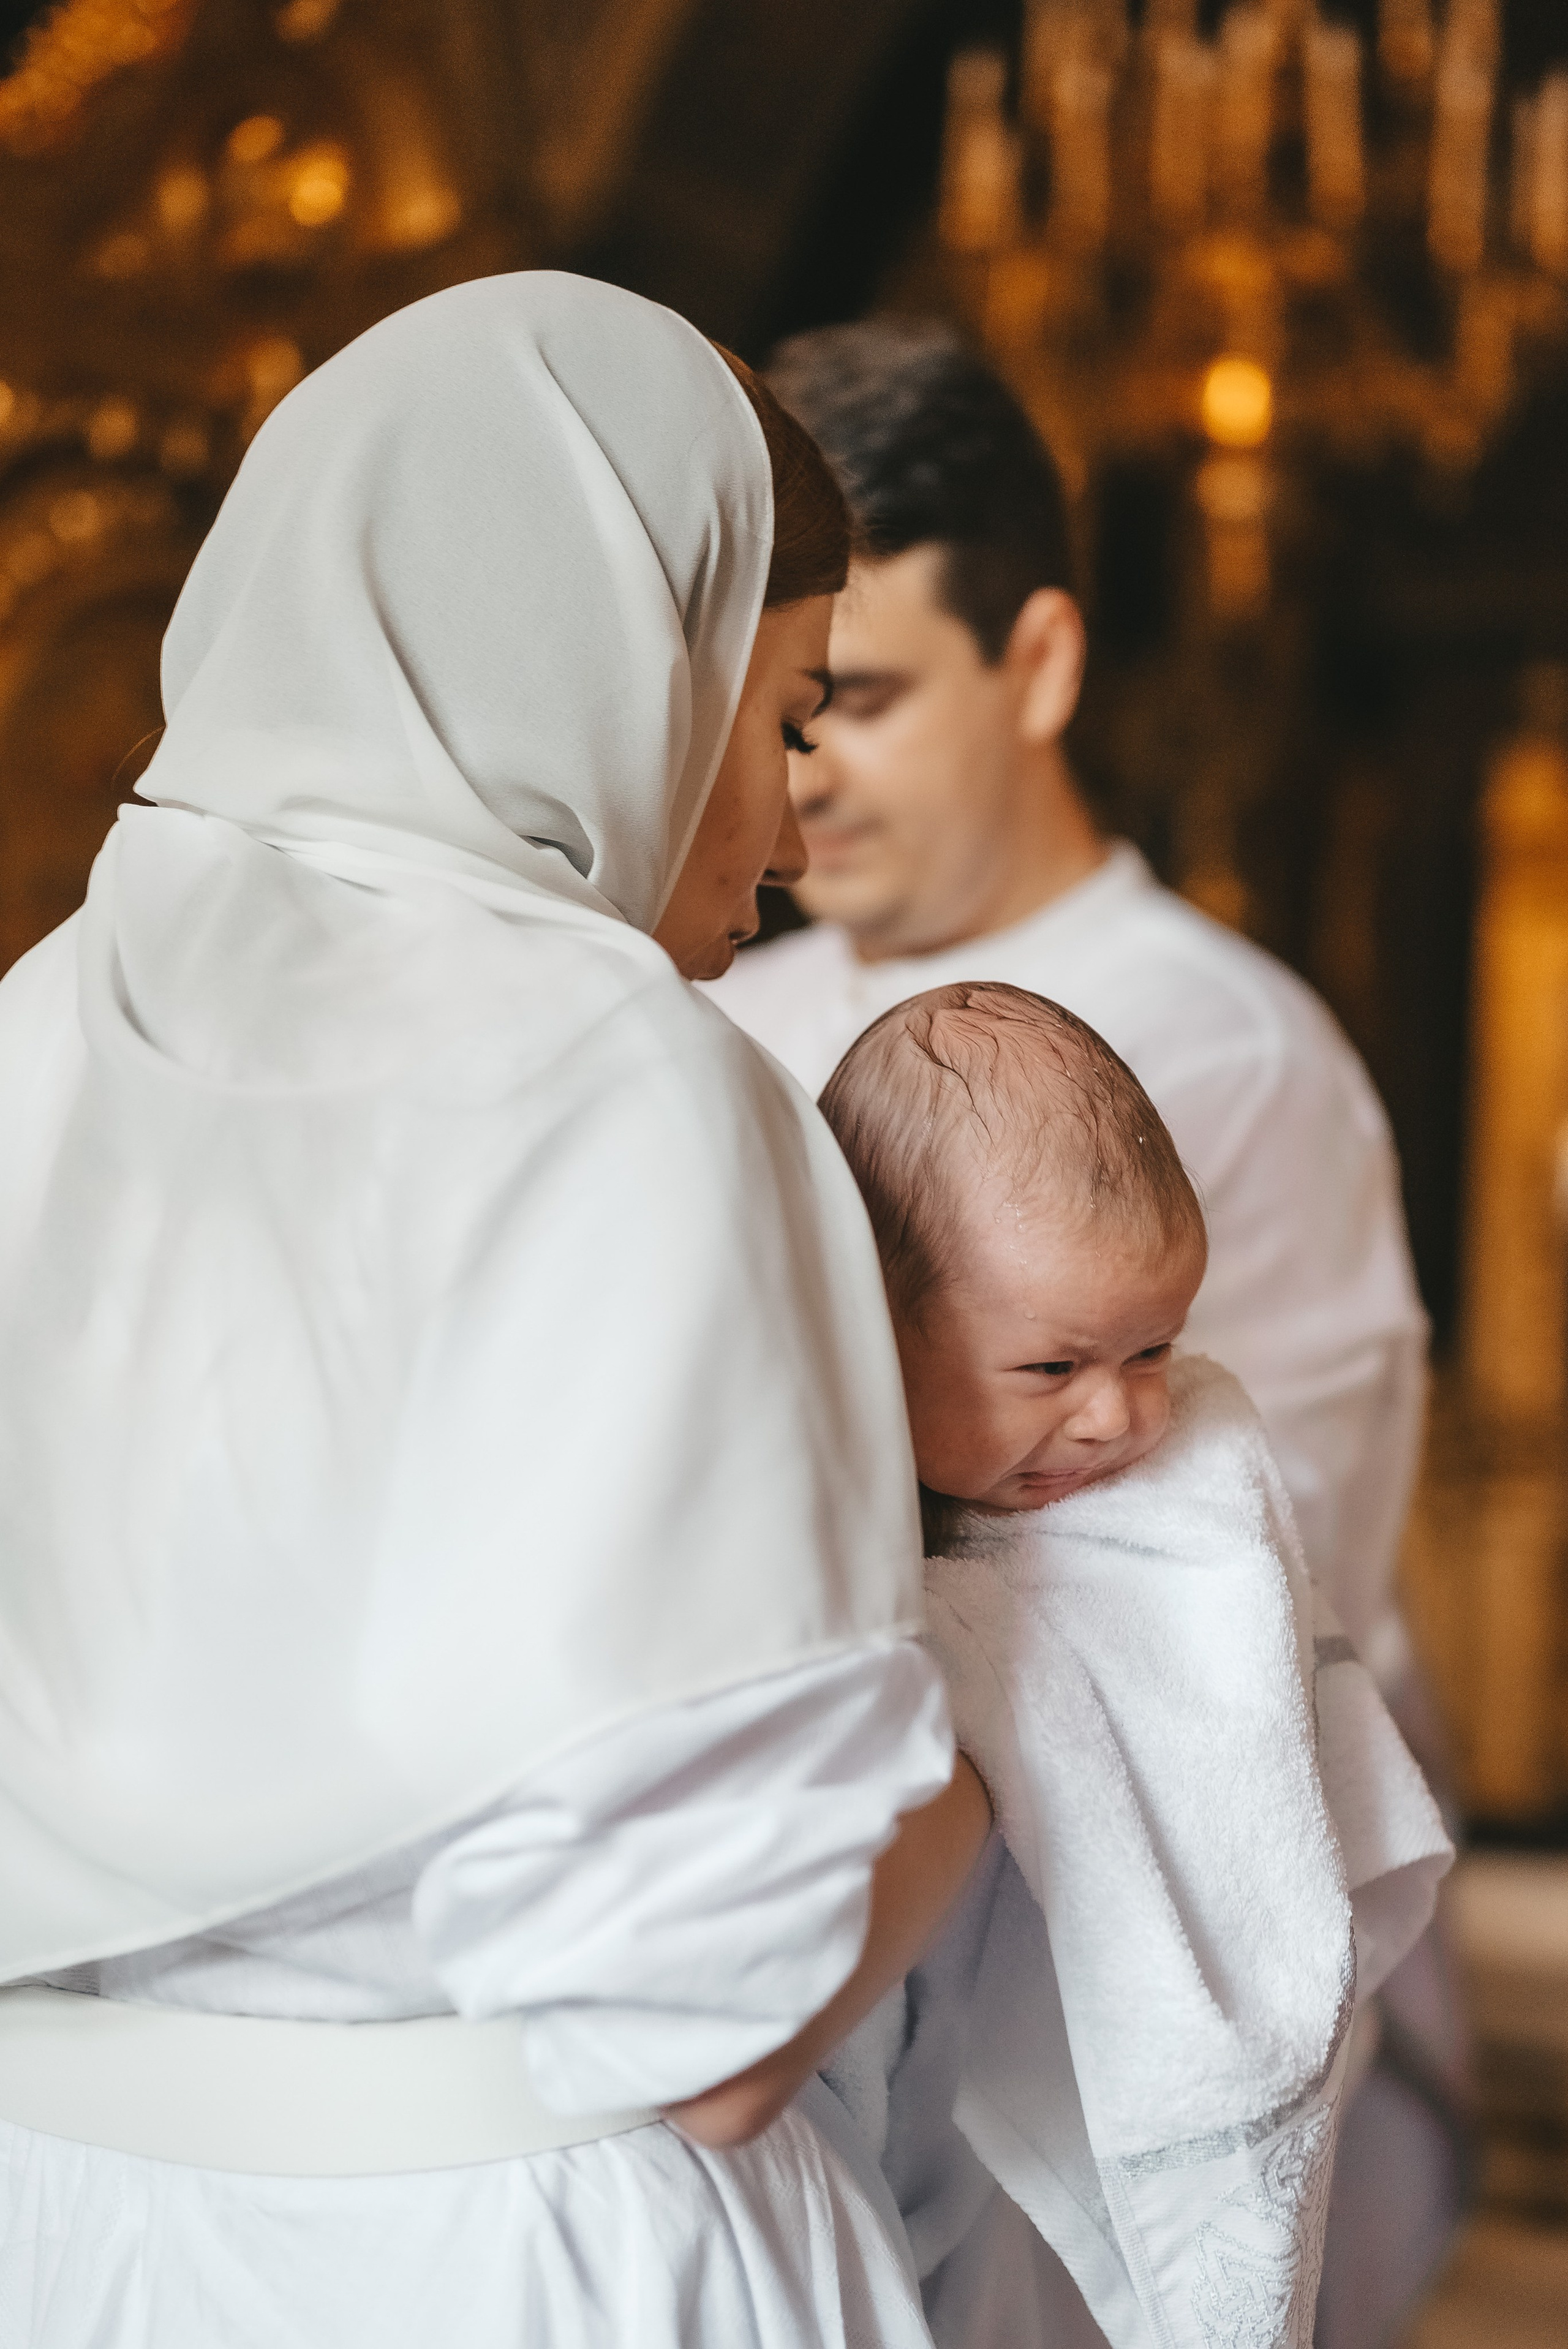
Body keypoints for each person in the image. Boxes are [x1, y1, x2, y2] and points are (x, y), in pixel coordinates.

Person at [0, 273, 993, 2347]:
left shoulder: (33, 1031)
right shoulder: (621, 1068)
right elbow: (715, 2021)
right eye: (785, 711)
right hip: (503, 2262)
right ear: (618, 648)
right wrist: (999, 1771)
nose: (795, 834)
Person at [706, 321, 1466, 2349]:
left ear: (1037, 665)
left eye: (858, 699)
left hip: (1099, 1940)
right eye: (785, 703)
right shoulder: (733, 998)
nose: (803, 772)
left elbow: (1204, 1561)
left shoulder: (1214, 1039)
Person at [810, 980, 1450, 2349]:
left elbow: (1212, 1706)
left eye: (1151, 1347)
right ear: (868, 1322)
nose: (1117, 1418)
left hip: (1045, 2112)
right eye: (1048, 1366)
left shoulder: (1173, 1504)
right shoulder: (803, 1504)